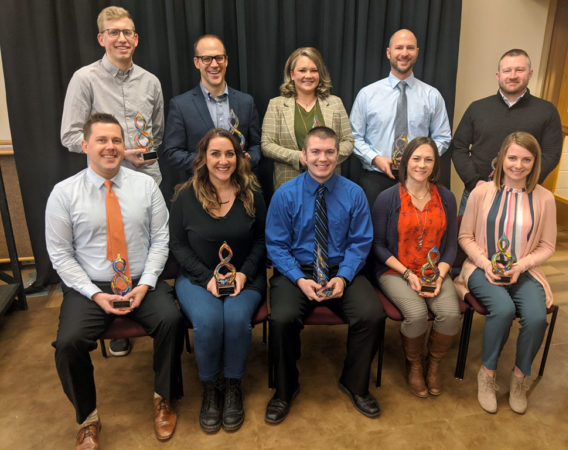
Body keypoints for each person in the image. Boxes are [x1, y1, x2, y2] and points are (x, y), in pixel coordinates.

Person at [46, 113, 183, 449]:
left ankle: (163, 398)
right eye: (102, 140)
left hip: (140, 280)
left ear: (124, 146)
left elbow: (160, 240)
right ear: (85, 145)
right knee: (68, 343)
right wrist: (95, 294)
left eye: (116, 141)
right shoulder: (64, 194)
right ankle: (88, 419)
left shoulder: (146, 186)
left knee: (172, 319)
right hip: (91, 286)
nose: (110, 147)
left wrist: (146, 283)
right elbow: (61, 256)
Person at [60, 6, 165, 356]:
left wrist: (140, 155)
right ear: (101, 38)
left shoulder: (150, 82)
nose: (121, 38)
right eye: (114, 32)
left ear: (136, 39)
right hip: (103, 185)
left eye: (127, 33)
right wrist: (115, 153)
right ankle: (117, 323)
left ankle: (152, 309)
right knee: (111, 250)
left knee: (150, 247)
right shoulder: (85, 79)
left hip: (146, 180)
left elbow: (157, 132)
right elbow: (70, 135)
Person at [265, 126, 386, 424]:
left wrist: (344, 277)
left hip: (341, 267)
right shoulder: (285, 194)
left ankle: (355, 384)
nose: (322, 158)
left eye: (329, 152)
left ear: (338, 155)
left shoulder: (354, 194)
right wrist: (299, 278)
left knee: (372, 314)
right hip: (298, 269)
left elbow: (360, 242)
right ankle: (285, 388)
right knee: (281, 318)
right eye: (315, 152)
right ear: (304, 156)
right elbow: (277, 246)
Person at [169, 128, 266, 433]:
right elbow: (177, 245)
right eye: (215, 154)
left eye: (230, 154)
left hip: (245, 277)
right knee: (209, 321)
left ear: (238, 158)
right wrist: (205, 277)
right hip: (198, 279)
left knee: (236, 319)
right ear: (203, 158)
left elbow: (263, 241)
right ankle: (211, 388)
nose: (223, 161)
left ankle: (234, 385)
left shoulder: (253, 193)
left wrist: (243, 273)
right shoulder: (185, 195)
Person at [454, 131, 556, 415]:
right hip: (480, 267)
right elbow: (465, 237)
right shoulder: (481, 192)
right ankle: (487, 375)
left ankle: (520, 378)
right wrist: (485, 263)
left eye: (526, 159)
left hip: (525, 271)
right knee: (503, 309)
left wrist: (521, 266)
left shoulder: (545, 199)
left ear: (535, 163)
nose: (518, 165)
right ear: (501, 159)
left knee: (536, 318)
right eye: (512, 157)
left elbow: (548, 245)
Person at [372, 137, 460, 398]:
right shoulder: (387, 199)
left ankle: (432, 365)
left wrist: (441, 275)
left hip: (436, 271)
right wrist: (408, 274)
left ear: (435, 164)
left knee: (450, 314)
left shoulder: (446, 197)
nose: (422, 165)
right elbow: (377, 246)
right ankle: (414, 365)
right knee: (417, 314)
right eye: (416, 158)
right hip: (396, 270)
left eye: (428, 159)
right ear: (405, 162)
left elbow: (451, 246)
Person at [451, 49, 563, 214]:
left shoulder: (547, 111)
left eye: (519, 70)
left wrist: (525, 183)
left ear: (530, 73)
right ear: (498, 75)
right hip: (478, 193)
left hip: (524, 195)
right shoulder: (477, 108)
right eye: (507, 70)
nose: (512, 75)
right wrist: (475, 182)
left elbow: (551, 154)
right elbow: (458, 147)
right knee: (466, 238)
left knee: (519, 240)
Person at [350, 29, 451, 208]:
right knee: (376, 234)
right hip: (376, 178)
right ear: (389, 53)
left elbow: (442, 138)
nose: (404, 53)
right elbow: (353, 137)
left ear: (417, 53)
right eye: (399, 48)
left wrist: (421, 160)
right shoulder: (367, 94)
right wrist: (375, 158)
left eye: (410, 48)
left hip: (419, 179)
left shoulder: (432, 96)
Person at [162, 35, 261, 176]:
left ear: (226, 61)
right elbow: (172, 152)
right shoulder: (180, 105)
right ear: (197, 63)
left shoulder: (246, 102)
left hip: (240, 187)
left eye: (219, 58)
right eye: (206, 59)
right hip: (200, 190)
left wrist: (246, 160)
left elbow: (256, 146)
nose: (214, 64)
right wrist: (208, 162)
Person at [262, 47, 354, 190]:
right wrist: (298, 157)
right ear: (292, 74)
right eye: (302, 70)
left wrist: (326, 158)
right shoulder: (276, 105)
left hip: (329, 183)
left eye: (314, 70)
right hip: (289, 183)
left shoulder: (335, 103)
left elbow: (348, 141)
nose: (308, 75)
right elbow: (267, 145)